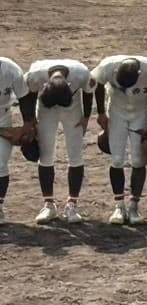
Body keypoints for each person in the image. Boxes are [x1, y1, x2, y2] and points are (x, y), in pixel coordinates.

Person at [91, 55, 147, 225]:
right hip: (116, 113)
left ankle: (134, 206)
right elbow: (97, 84)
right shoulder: (108, 66)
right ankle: (119, 206)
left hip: (140, 114)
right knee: (117, 159)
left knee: (138, 160)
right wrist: (101, 113)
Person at [22, 59, 95, 224]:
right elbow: (29, 95)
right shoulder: (34, 75)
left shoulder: (81, 73)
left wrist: (86, 117)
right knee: (45, 154)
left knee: (75, 153)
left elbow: (88, 92)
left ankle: (72, 204)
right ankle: (49, 204)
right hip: (46, 108)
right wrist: (31, 121)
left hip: (72, 108)